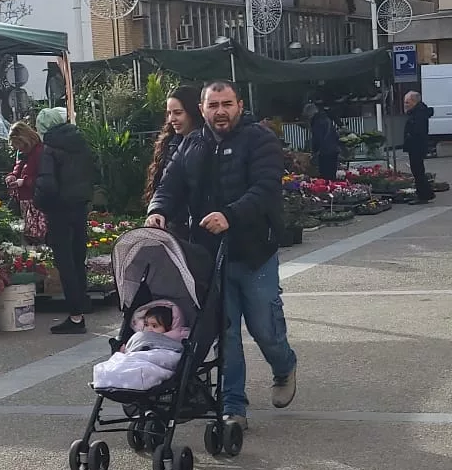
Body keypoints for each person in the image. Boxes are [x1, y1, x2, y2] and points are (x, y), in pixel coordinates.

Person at [146, 80, 297, 432]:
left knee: (265, 329)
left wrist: (230, 215)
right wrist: (158, 210)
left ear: (239, 106)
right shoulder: (191, 145)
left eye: (226, 104)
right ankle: (233, 406)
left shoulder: (260, 140)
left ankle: (284, 365)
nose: (220, 111)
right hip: (212, 256)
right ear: (203, 109)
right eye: (213, 105)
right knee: (226, 333)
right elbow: (169, 185)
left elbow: (264, 189)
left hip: (255, 251)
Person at [33, 107, 97, 334]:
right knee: (78, 258)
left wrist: (39, 201)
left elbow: (47, 184)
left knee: (65, 262)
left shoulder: (50, 148)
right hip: (79, 207)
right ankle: (83, 301)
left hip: (59, 210)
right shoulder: (80, 144)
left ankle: (75, 315)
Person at [89, 303, 186, 392]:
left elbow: (172, 358)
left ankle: (116, 377)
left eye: (154, 326)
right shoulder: (140, 336)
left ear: (169, 327)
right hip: (136, 356)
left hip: (157, 356)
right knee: (118, 362)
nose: (149, 329)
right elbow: (132, 351)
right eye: (146, 325)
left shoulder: (175, 339)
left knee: (141, 370)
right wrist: (125, 351)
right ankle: (111, 375)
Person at [142, 85, 205, 204]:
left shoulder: (207, 143)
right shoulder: (168, 143)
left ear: (194, 112)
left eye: (178, 113)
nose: (172, 119)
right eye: (169, 113)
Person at [4, 121, 48, 241]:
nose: (18, 148)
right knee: (30, 234)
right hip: (25, 199)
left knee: (36, 236)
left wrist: (24, 181)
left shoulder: (40, 152)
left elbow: (45, 178)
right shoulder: (24, 152)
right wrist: (12, 176)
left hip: (36, 202)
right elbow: (17, 168)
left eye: (18, 144)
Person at [402, 91, 435, 203]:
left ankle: (424, 195)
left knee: (418, 170)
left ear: (414, 102)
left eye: (407, 102)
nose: (405, 105)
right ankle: (424, 193)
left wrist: (410, 137)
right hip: (416, 145)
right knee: (417, 170)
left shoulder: (419, 113)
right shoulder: (417, 112)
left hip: (416, 146)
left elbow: (418, 130)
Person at [306, 102, 341, 181]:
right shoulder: (325, 118)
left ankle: (327, 190)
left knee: (325, 176)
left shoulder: (317, 121)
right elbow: (335, 135)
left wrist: (314, 150)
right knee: (332, 174)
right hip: (333, 149)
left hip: (325, 151)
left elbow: (318, 138)